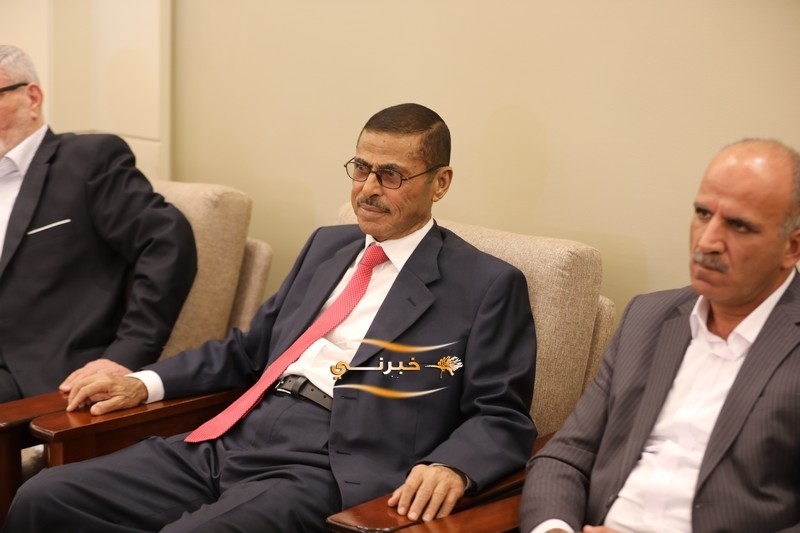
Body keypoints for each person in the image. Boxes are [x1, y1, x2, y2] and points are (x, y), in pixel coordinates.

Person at [3, 102, 537, 532]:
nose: (369, 188)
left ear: (440, 182)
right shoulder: (327, 246)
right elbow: (249, 349)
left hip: (329, 462)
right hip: (238, 433)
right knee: (45, 497)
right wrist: (143, 383)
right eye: (361, 169)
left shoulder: (486, 284)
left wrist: (453, 466)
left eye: (391, 175)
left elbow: (501, 413)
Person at [520, 138, 800, 533]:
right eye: (703, 213)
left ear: (792, 247)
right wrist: (555, 530)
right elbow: (566, 454)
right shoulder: (648, 318)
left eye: (739, 226)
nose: (707, 242)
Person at [0, 44, 197, 402]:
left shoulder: (87, 160)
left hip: (39, 373)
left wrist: (128, 352)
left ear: (32, 97)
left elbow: (168, 241)